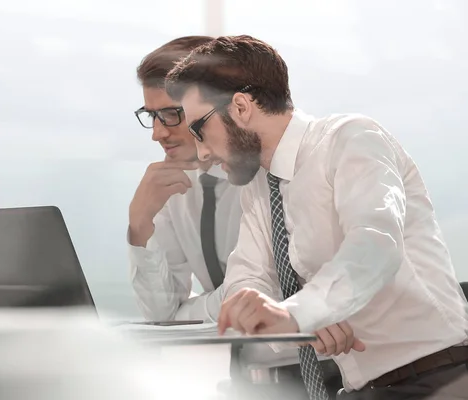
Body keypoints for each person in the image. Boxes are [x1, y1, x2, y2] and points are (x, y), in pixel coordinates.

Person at [165, 34, 468, 399]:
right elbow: (246, 282)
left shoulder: (353, 139)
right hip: (361, 389)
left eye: (200, 129)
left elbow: (374, 246)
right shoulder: (260, 191)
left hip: (438, 379)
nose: (201, 154)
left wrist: (296, 314)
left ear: (242, 107)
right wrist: (295, 319)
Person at [128, 35, 242, 322]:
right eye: (151, 115)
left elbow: (256, 298)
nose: (157, 133)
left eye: (170, 114)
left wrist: (185, 315)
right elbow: (160, 313)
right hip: (244, 365)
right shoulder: (172, 184)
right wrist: (140, 225)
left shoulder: (262, 177)